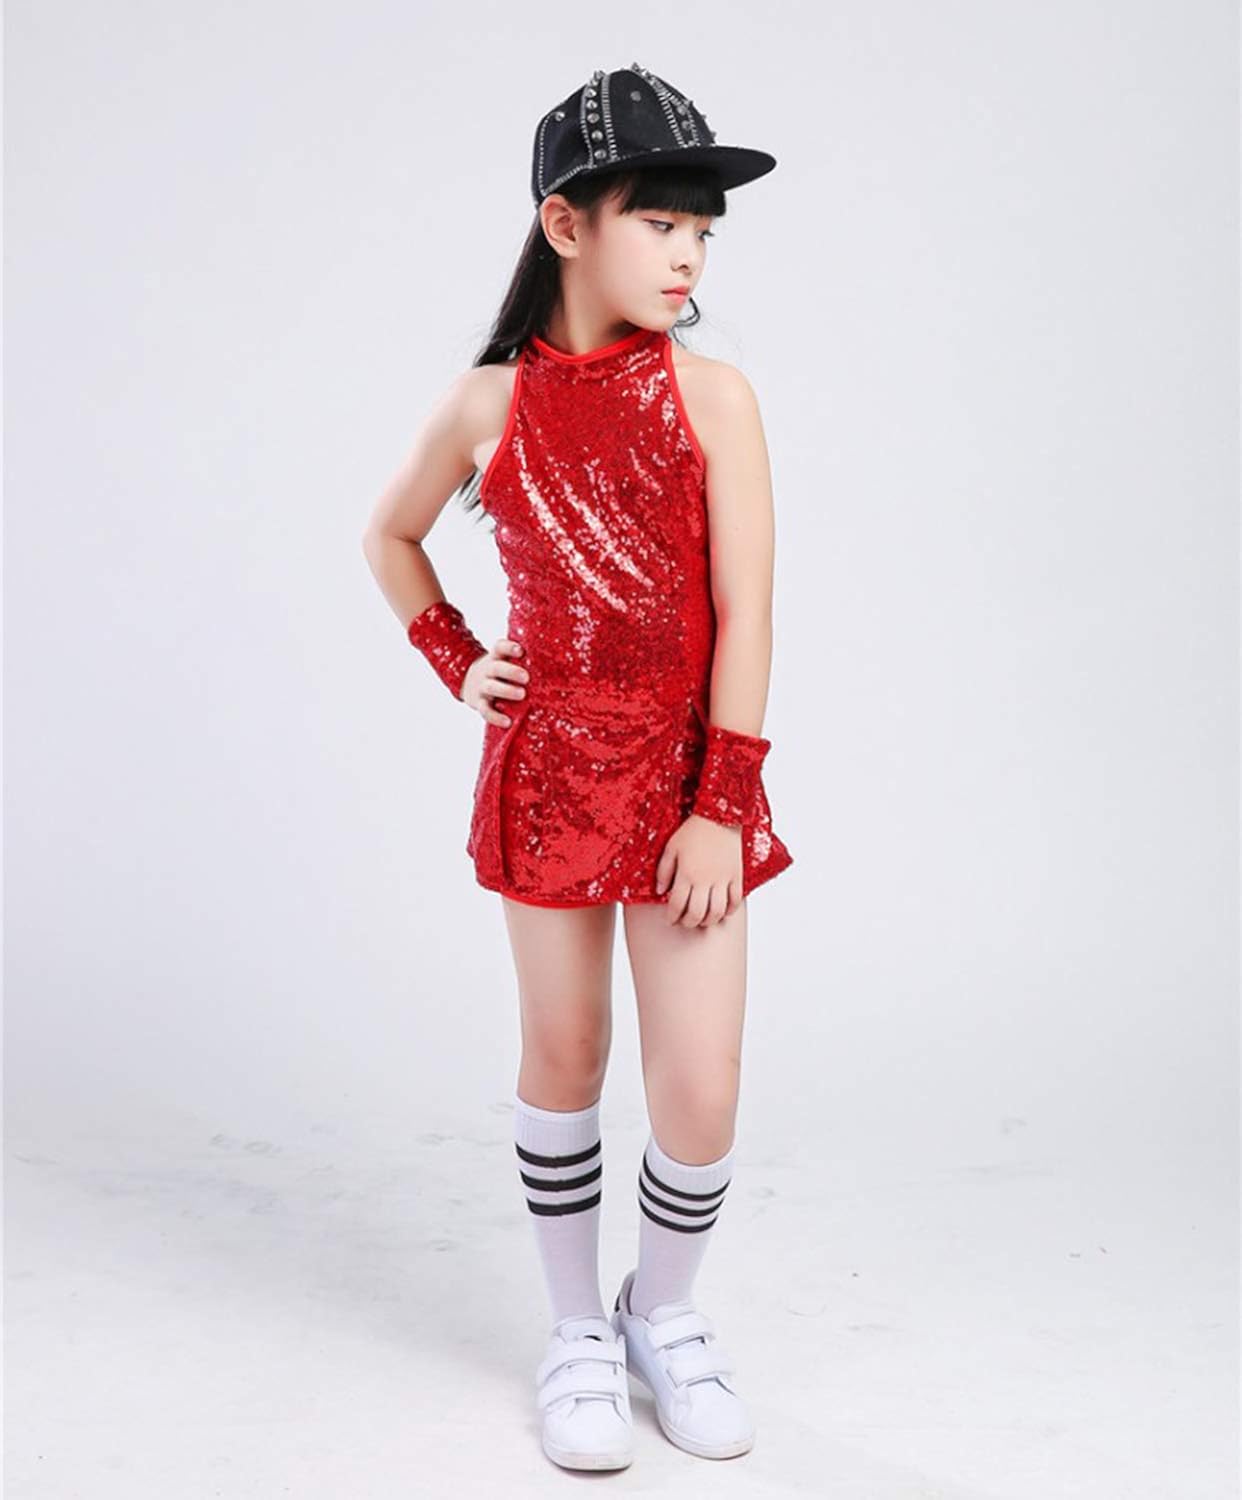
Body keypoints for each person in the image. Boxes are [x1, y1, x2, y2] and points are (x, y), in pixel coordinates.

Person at [361, 62, 793, 1471]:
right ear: (566, 224)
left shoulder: (713, 397)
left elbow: (746, 612)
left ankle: (659, 1311)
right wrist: (455, 657)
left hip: (685, 783)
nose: (687, 255)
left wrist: (722, 804)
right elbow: (388, 536)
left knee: (701, 1087)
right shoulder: (485, 404)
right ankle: (572, 1332)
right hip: (547, 769)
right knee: (564, 1052)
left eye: (701, 231)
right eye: (658, 221)